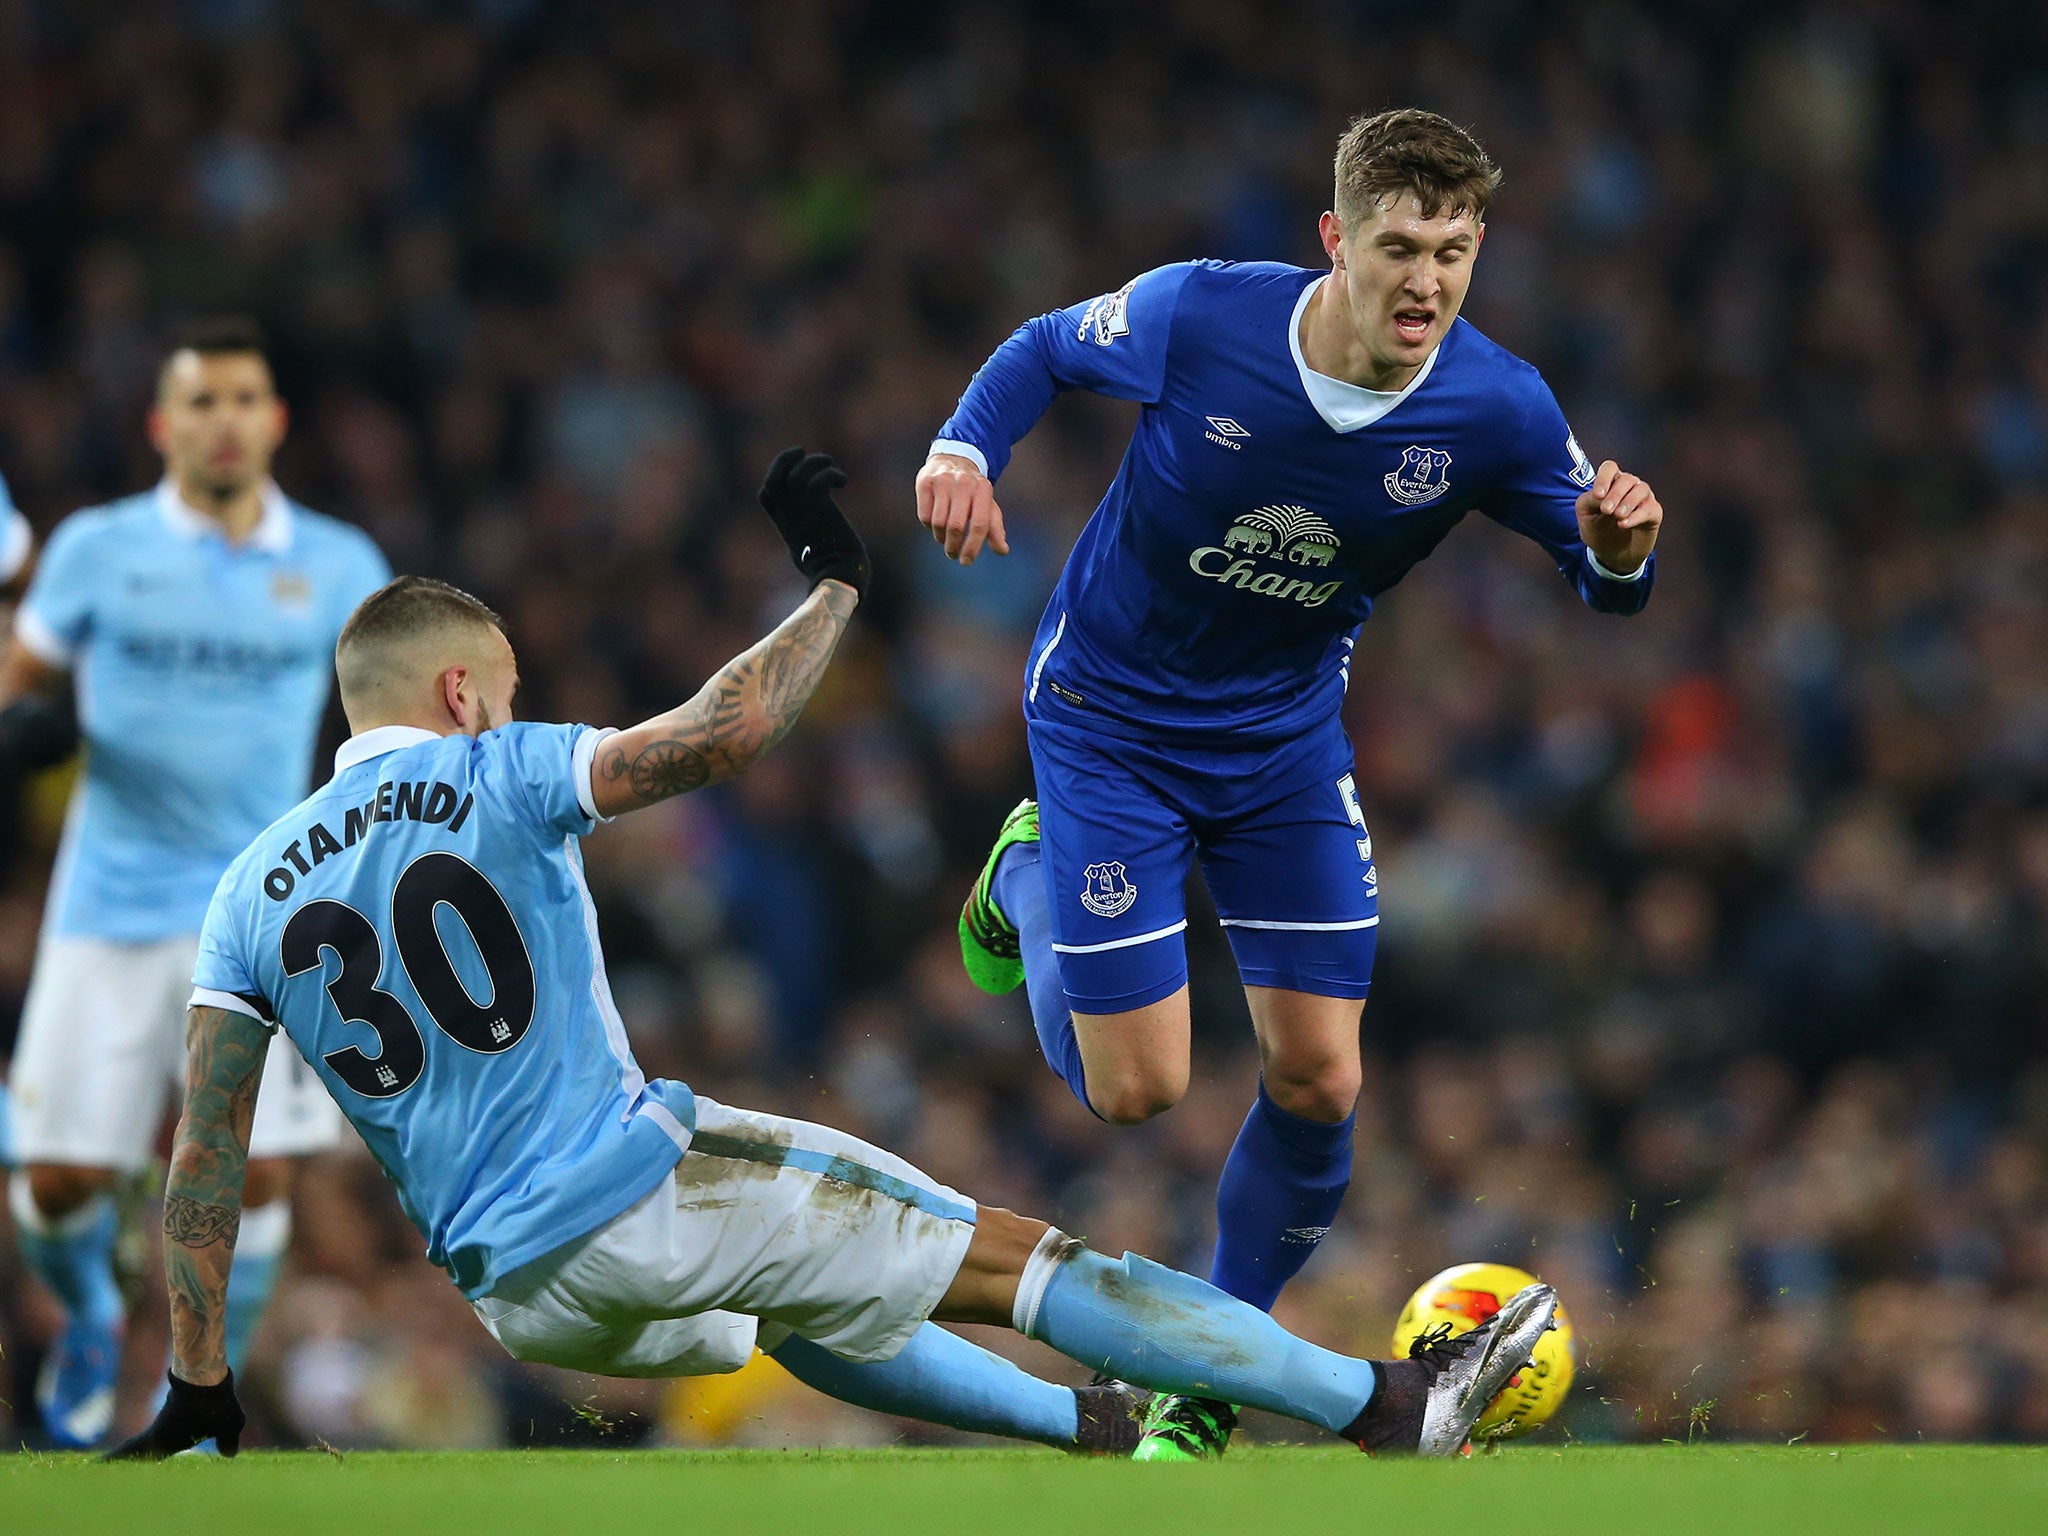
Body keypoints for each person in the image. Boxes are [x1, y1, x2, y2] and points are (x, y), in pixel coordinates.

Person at [107, 449, 1556, 1462]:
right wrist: (835, 587)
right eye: (508, 687)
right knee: (1031, 1264)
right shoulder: (500, 768)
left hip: (520, 1295)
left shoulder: (248, 891)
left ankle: (1087, 1427)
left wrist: (199, 1377)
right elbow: (721, 733)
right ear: (462, 687)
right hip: (640, 1188)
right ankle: (1386, 1408)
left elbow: (204, 1161)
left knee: (803, 1300)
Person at [919, 108, 1662, 1458]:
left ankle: (1206, 1380)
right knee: (1133, 1089)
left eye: (1454, 250)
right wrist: (964, 449)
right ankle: (1023, 871)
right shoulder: (1204, 316)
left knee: (1321, 1080)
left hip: (1281, 746)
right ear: (1336, 239)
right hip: (1110, 720)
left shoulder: (1498, 405)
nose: (1427, 280)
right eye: (1399, 246)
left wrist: (1615, 552)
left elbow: (1606, 581)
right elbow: (1039, 349)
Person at [0, 319, 391, 1447]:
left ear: (273, 422)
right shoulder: (93, 549)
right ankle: (83, 1313)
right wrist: (23, 724)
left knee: (258, 1175)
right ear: (161, 424)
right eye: (200, 402)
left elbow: (389, 715)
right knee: (64, 1180)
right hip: (108, 906)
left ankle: (194, 1396)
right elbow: (19, 679)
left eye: (242, 400)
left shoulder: (336, 564)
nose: (223, 421)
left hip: (266, 913)